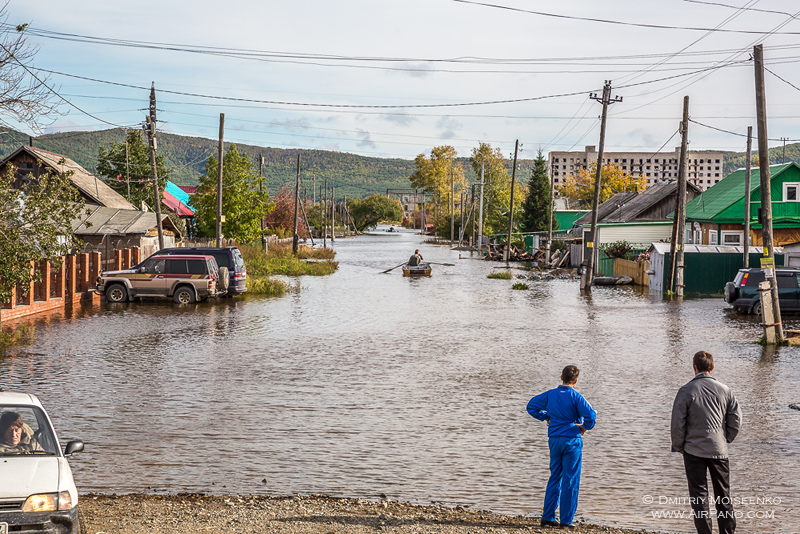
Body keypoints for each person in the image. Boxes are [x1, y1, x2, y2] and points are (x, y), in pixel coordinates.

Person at [671, 351, 741, 534]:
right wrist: (725, 440)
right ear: (712, 367)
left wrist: (679, 446)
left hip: (693, 451)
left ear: (694, 367)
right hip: (719, 450)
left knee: (699, 496)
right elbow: (736, 421)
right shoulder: (725, 390)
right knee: (723, 495)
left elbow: (677, 424)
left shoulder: (686, 391)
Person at [527, 365, 597, 529]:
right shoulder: (576, 397)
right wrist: (583, 426)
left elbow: (531, 406)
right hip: (571, 440)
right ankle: (566, 520)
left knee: (555, 477)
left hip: (554, 439)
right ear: (576, 380)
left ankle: (548, 517)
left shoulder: (550, 394)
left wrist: (547, 417)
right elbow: (591, 416)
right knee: (570, 479)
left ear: (561, 377)